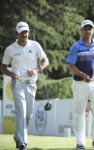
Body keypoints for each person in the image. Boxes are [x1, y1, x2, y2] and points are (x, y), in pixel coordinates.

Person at [1, 21, 49, 150]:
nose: (24, 34)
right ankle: (23, 143)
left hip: (32, 84)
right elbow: (3, 67)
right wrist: (11, 74)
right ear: (17, 33)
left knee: (29, 114)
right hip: (18, 84)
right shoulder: (10, 49)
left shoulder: (35, 45)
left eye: (26, 32)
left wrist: (36, 70)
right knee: (21, 111)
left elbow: (45, 60)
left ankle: (18, 136)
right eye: (22, 32)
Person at [66, 19, 94, 149]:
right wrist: (83, 75)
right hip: (80, 83)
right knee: (79, 112)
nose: (88, 31)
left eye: (90, 28)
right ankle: (80, 142)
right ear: (81, 30)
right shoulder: (76, 47)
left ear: (93, 30)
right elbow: (71, 66)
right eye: (85, 28)